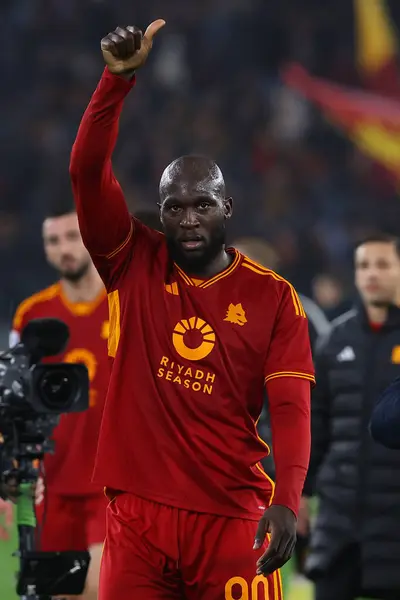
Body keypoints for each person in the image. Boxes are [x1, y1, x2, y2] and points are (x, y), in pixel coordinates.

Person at [69, 20, 315, 600]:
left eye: (202, 205)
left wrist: (286, 500)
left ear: (226, 206)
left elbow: (291, 406)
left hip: (231, 515)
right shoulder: (130, 260)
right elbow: (85, 173)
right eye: (174, 207)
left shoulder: (273, 296)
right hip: (138, 514)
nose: (187, 220)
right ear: (159, 210)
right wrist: (115, 81)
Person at [9, 206, 110, 600]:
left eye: (72, 237)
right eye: (53, 240)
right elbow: (14, 399)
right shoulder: (33, 315)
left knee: (101, 588)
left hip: (112, 483)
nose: (63, 249)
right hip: (51, 484)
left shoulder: (125, 305)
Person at [301, 234, 400, 600]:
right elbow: (315, 421)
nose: (372, 274)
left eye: (383, 264)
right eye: (364, 266)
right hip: (339, 520)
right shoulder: (335, 341)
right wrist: (298, 492)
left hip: (394, 524)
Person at [233, 236, 331, 594]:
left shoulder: (300, 317)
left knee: (284, 573)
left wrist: (303, 490)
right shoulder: (224, 316)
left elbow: (314, 410)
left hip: (284, 476)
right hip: (239, 474)